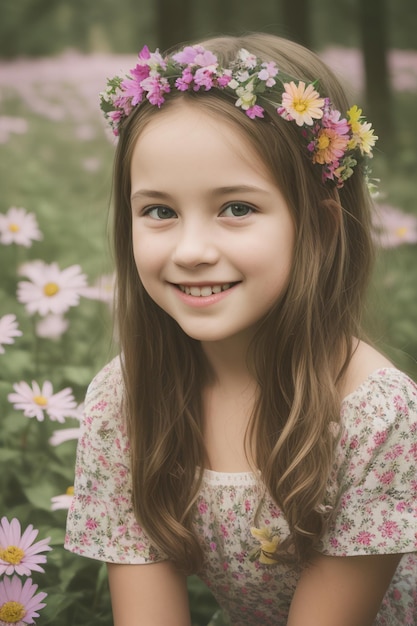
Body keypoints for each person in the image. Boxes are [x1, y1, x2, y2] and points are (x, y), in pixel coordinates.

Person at [64, 33, 417, 626]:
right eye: (159, 211)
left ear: (322, 227)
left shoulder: (376, 417)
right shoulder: (125, 401)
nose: (192, 250)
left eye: (237, 208)